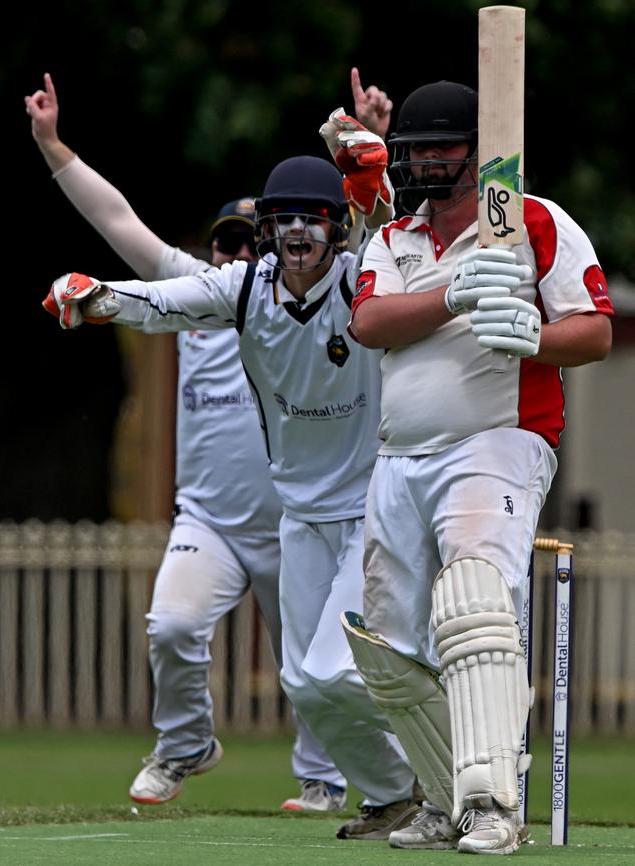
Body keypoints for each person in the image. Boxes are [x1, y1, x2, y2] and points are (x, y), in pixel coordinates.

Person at [39, 75, 432, 841]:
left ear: (335, 228)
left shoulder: (366, 281)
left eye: (313, 221)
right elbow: (161, 302)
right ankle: (394, 795)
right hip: (299, 516)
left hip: (369, 508)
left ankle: (438, 781)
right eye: (284, 221)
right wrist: (95, 298)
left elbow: (394, 230)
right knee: (304, 683)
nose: (296, 236)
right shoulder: (244, 289)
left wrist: (370, 164)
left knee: (328, 671)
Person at [345, 80, 613, 854]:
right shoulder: (394, 237)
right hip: (400, 455)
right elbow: (368, 323)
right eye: (415, 150)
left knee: (474, 604)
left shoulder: (534, 221)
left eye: (441, 148)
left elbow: (592, 333)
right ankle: (440, 798)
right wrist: (455, 294)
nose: (426, 161)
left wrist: (532, 334)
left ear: (477, 151)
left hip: (499, 437)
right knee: (393, 647)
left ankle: (493, 805)